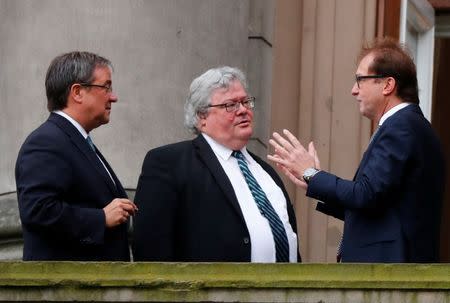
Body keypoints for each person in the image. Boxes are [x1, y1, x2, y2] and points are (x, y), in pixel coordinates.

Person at [268, 38, 445, 263]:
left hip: (387, 271)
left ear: (388, 85)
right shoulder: (411, 126)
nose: (353, 90)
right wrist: (314, 182)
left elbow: (365, 194)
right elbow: (376, 205)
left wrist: (314, 175)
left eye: (360, 80)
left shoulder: (401, 127)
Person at [133, 66, 299, 262]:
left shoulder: (266, 171)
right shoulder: (169, 163)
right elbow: (151, 249)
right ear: (202, 116)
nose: (243, 110)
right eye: (231, 105)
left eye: (246, 102)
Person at [15, 51, 137, 261]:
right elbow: (38, 210)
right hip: (68, 289)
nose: (113, 96)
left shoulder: (73, 140)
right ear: (78, 92)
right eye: (106, 87)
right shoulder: (46, 141)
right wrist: (100, 219)